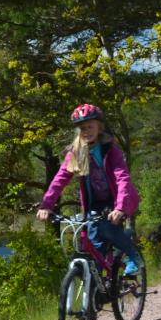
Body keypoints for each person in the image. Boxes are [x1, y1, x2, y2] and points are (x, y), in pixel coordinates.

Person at [36, 103, 142, 276]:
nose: (86, 131)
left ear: (99, 127)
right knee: (92, 243)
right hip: (95, 203)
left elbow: (122, 178)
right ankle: (95, 285)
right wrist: (46, 205)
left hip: (116, 200)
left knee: (108, 227)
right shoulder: (76, 152)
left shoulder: (110, 149)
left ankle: (132, 255)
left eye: (90, 126)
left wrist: (120, 207)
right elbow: (59, 179)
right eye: (82, 128)